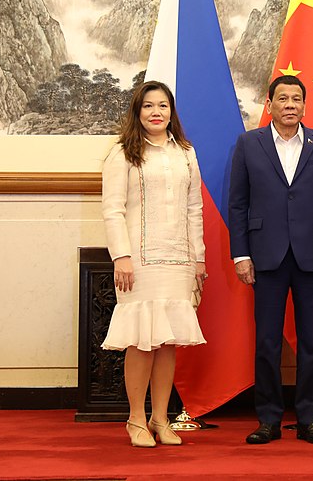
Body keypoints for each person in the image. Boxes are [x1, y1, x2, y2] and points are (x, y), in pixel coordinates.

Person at [229, 75, 313, 445]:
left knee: (312, 342)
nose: (290, 105)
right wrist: (241, 254)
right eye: (283, 98)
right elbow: (238, 204)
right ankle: (268, 419)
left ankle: (310, 418)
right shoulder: (250, 143)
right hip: (266, 256)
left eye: (297, 99)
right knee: (267, 342)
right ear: (270, 104)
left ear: (305, 105)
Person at [101, 81, 207, 448]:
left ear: (171, 112)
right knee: (141, 341)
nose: (156, 112)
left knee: (167, 341)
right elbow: (112, 210)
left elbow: (195, 209)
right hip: (138, 263)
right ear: (137, 111)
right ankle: (135, 419)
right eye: (148, 106)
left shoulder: (186, 153)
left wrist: (199, 259)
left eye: (163, 105)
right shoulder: (122, 153)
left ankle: (161, 419)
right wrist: (122, 256)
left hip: (178, 261)